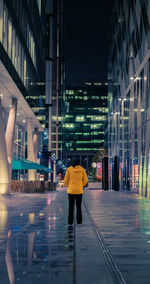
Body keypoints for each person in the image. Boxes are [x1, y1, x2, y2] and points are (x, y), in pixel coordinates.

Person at [64, 159, 88, 225]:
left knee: (71, 207)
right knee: (79, 207)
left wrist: (69, 185)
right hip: (79, 191)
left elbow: (66, 180)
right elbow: (85, 180)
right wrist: (81, 185)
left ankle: (70, 222)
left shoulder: (69, 169)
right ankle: (79, 222)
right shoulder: (82, 169)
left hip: (71, 191)